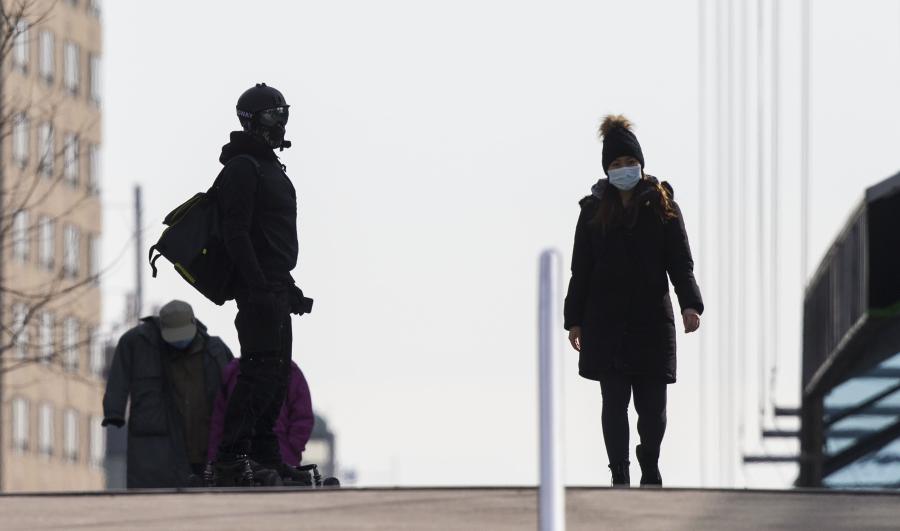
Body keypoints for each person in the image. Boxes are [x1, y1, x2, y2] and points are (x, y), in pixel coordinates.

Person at [563, 115, 704, 488]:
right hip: (605, 323)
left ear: (641, 165)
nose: (623, 170)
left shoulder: (663, 206)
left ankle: (650, 460)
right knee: (613, 403)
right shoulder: (592, 212)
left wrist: (691, 304)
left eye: (629, 163)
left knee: (653, 411)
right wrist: (573, 319)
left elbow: (680, 261)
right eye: (616, 165)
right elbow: (581, 270)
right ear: (606, 170)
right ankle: (620, 472)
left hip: (652, 323)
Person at [210, 82, 313, 486]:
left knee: (277, 373)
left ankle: (265, 453)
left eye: (283, 112)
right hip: (258, 291)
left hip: (273, 287)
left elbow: (269, 240)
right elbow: (237, 233)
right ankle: (232, 458)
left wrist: (287, 288)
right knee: (258, 372)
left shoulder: (269, 167)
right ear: (251, 121)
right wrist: (257, 286)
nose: (281, 121)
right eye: (273, 114)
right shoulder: (243, 167)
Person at [102, 300, 233, 488]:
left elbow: (235, 387)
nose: (179, 341)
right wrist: (114, 411)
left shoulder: (215, 350)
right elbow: (118, 377)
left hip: (206, 445)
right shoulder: (138, 343)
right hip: (159, 450)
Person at [207, 359, 314, 483]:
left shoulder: (291, 371)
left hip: (278, 455)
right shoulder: (233, 371)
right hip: (244, 459)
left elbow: (302, 417)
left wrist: (290, 451)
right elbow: (219, 423)